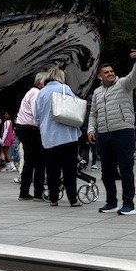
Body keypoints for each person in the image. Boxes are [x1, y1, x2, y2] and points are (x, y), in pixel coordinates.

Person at [88, 49, 136, 215]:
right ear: (100, 77)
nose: (110, 74)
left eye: (111, 71)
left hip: (123, 131)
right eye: (106, 72)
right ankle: (111, 202)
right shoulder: (97, 92)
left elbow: (135, 76)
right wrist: (91, 129)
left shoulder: (124, 84)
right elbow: (93, 113)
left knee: (126, 168)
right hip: (104, 134)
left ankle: (128, 204)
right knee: (106, 171)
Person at [34, 67, 82, 207]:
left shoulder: (41, 93)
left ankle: (53, 198)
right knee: (69, 169)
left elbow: (36, 118)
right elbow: (75, 108)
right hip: (67, 135)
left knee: (52, 169)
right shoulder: (64, 89)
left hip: (49, 137)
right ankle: (73, 199)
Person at [14, 73, 46, 201]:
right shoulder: (36, 93)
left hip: (23, 127)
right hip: (31, 129)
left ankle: (24, 191)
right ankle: (38, 192)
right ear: (40, 83)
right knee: (40, 161)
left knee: (29, 161)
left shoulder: (30, 92)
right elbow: (36, 112)